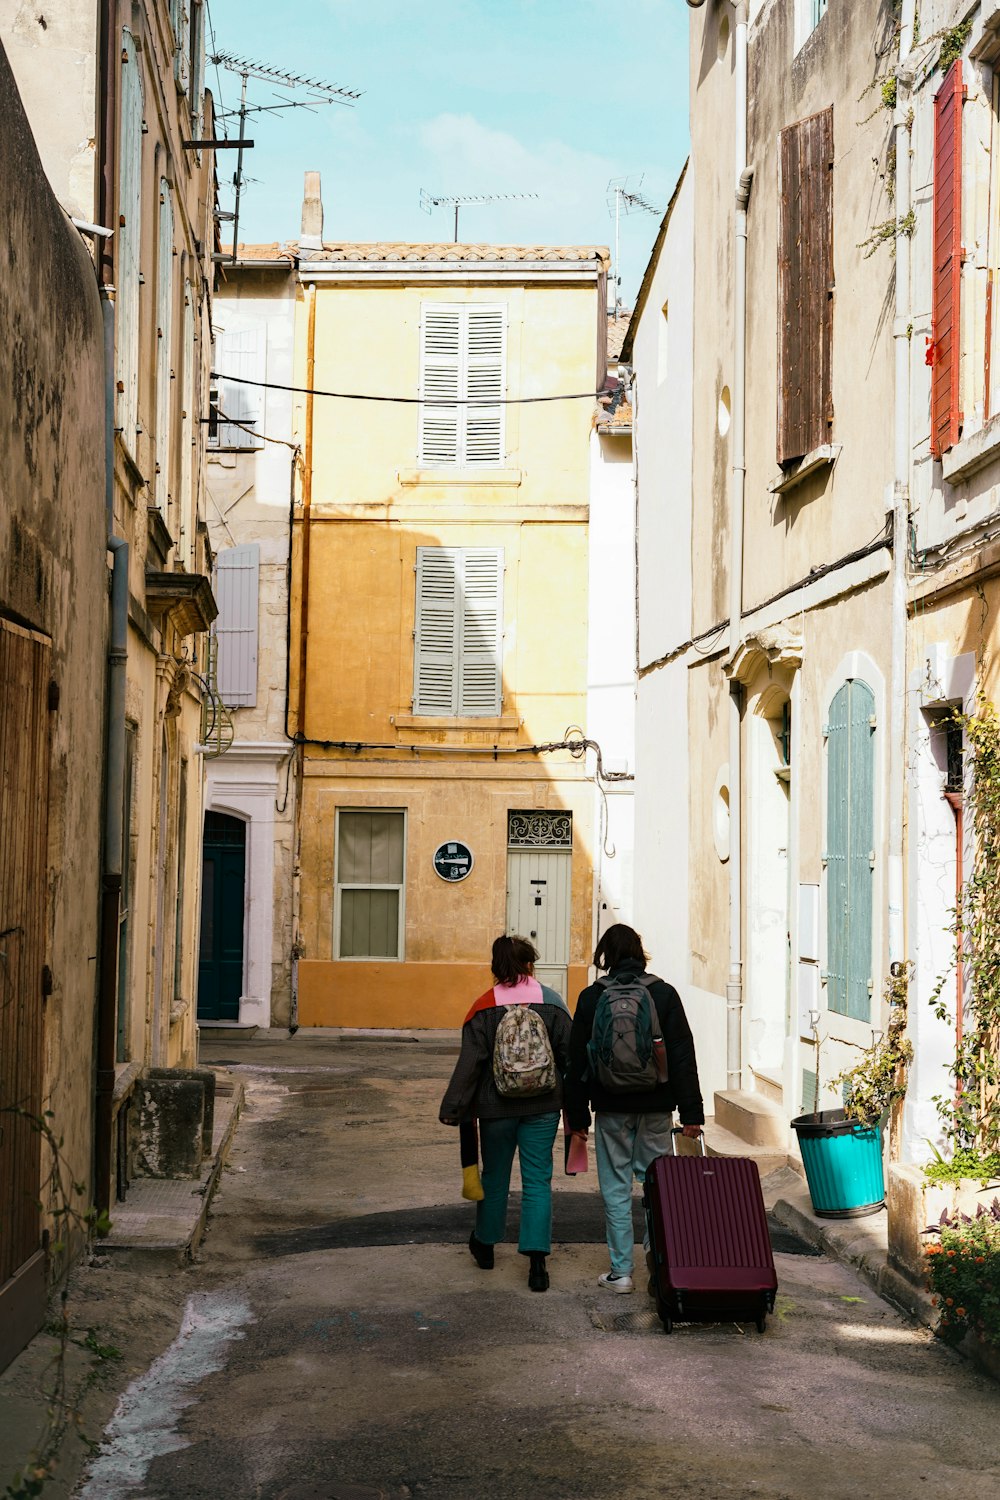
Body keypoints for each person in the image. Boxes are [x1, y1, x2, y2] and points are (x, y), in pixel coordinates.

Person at [565, 923, 704, 1295]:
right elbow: (681, 1055)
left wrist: (576, 1119)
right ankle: (660, 1266)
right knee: (657, 1185)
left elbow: (576, 1062)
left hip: (610, 1108)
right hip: (657, 1107)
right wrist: (692, 1114)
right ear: (640, 951)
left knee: (615, 1187)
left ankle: (621, 1273)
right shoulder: (663, 994)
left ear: (606, 955)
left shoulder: (592, 998)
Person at [439, 935, 572, 1293]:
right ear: (531, 965)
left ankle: (485, 1244)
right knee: (537, 1180)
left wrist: (453, 1107)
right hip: (544, 1105)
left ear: (495, 969)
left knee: (495, 1176)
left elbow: (470, 1063)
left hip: (495, 1107)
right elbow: (569, 1055)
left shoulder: (483, 1007)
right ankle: (537, 1263)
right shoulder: (553, 1003)